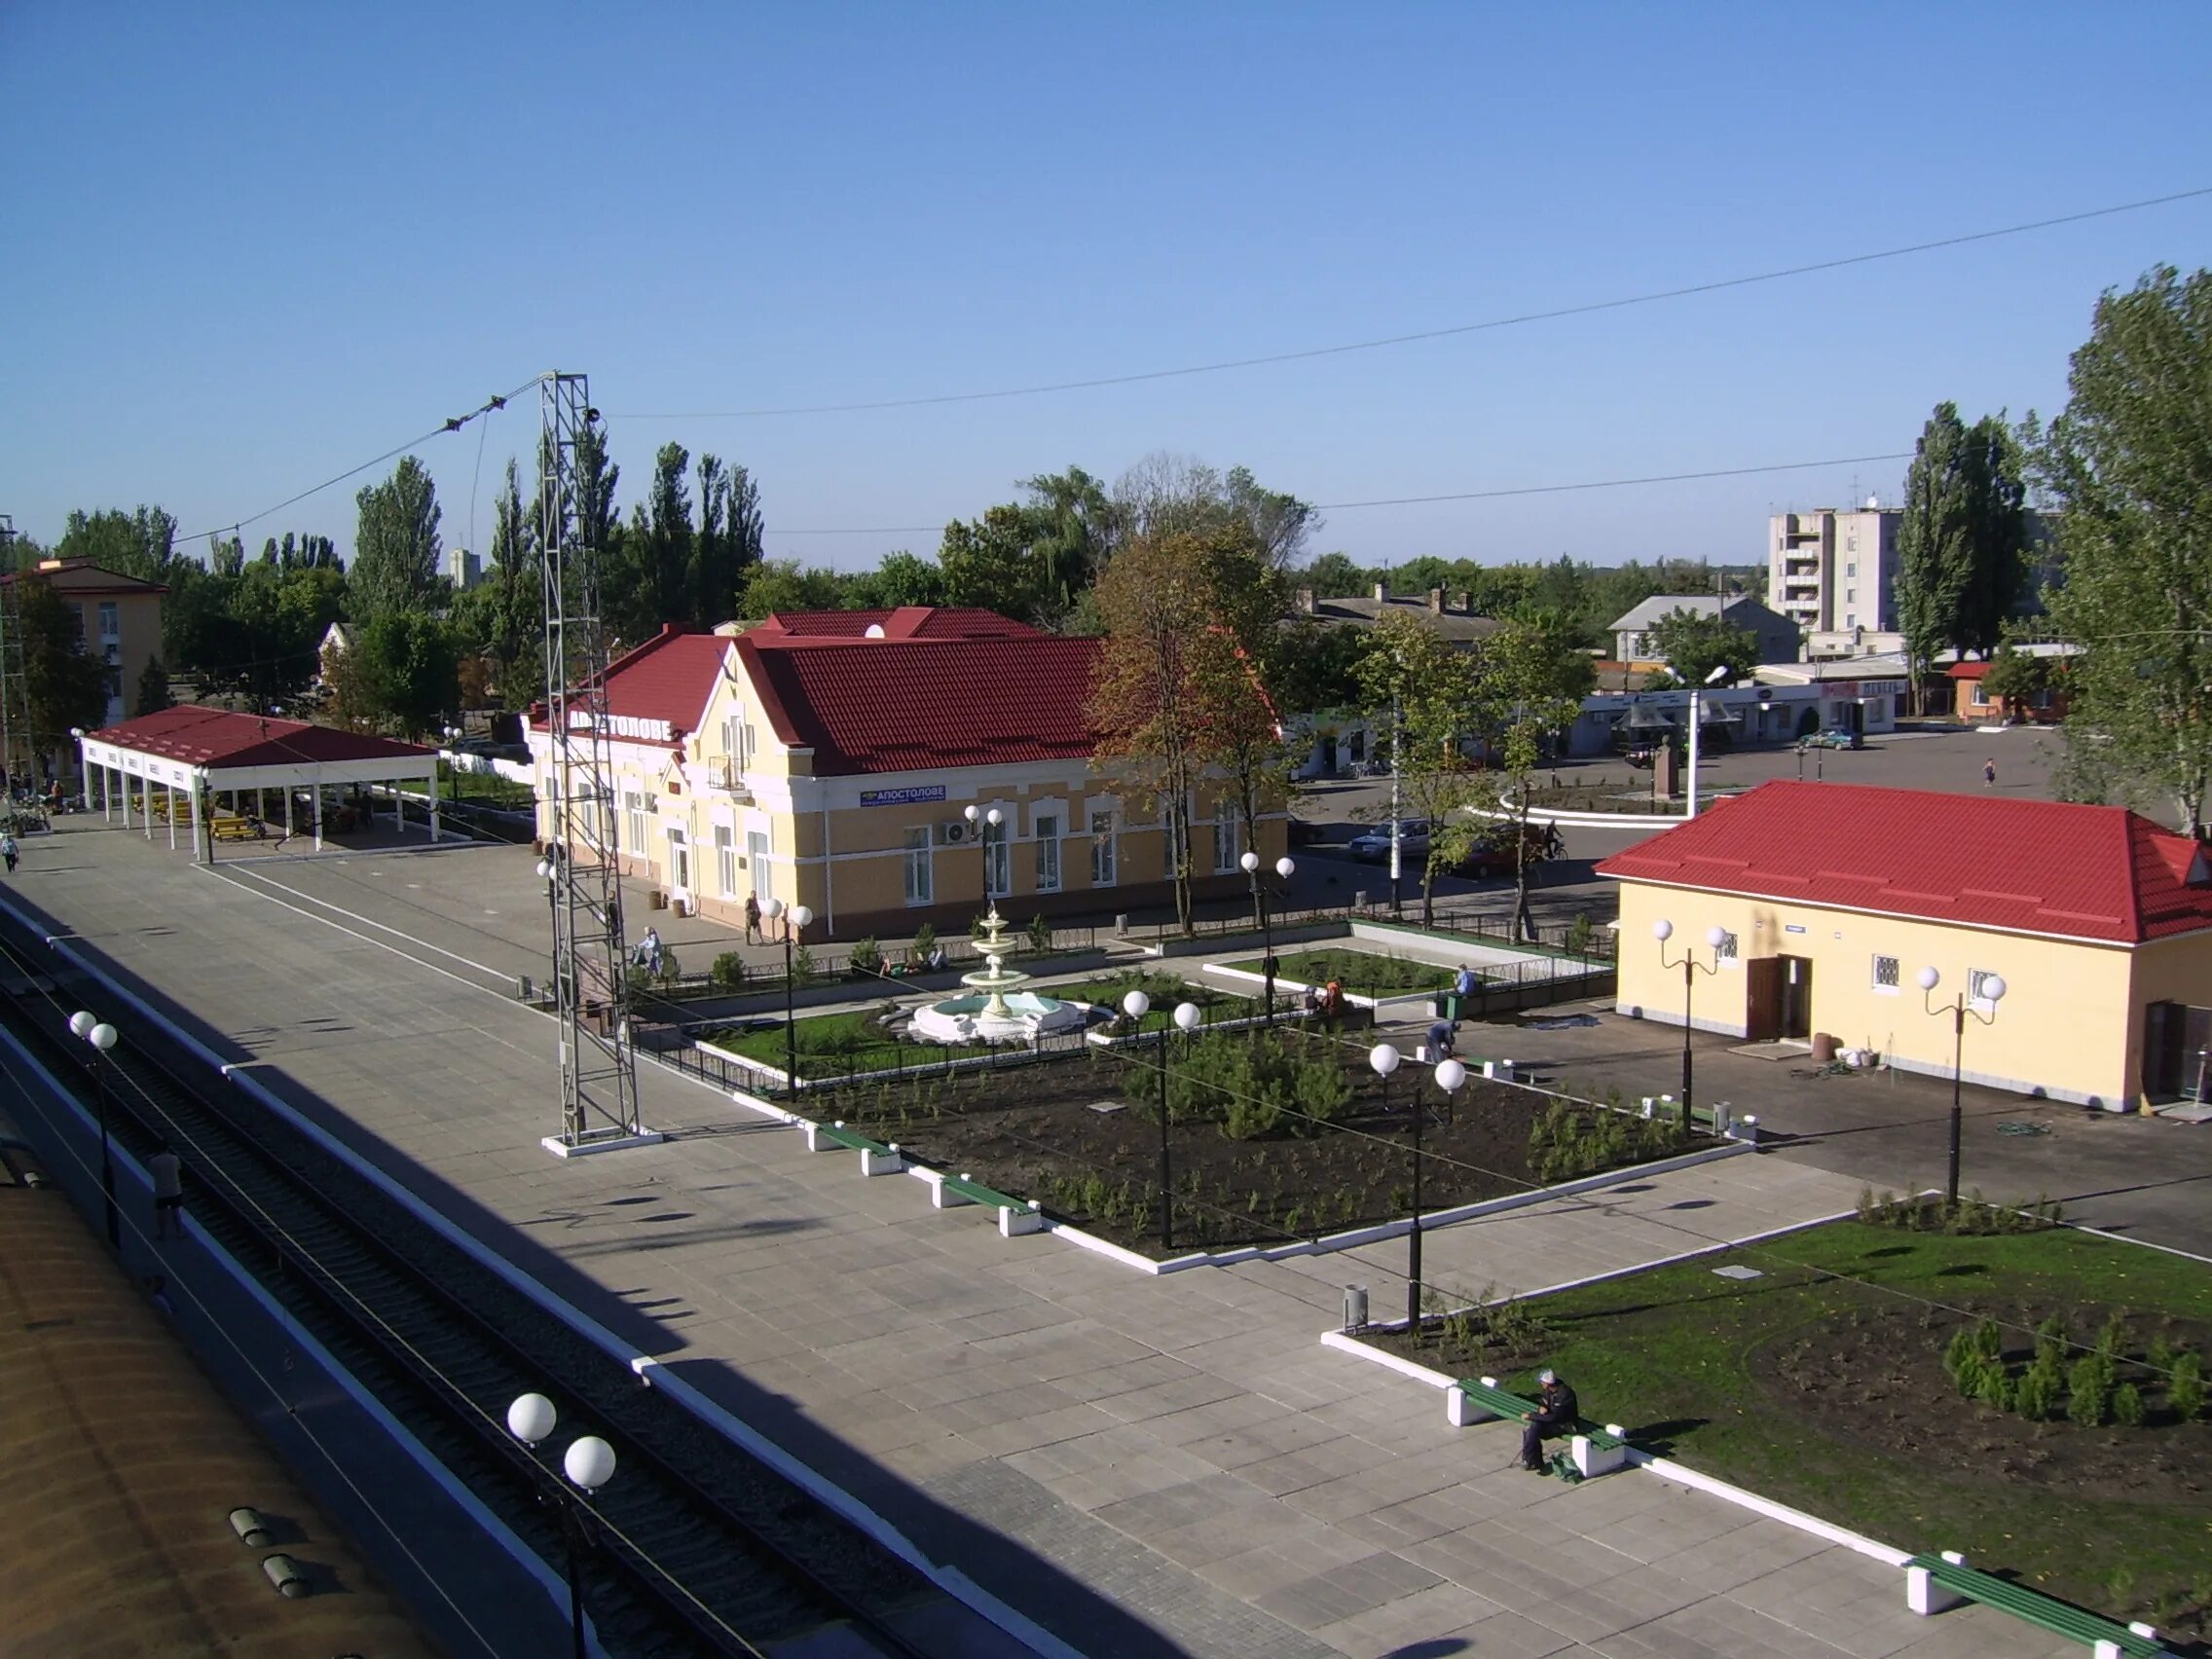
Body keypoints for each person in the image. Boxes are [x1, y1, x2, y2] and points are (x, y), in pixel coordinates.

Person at [1519, 1369, 1579, 1472]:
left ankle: (1531, 1461)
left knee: (1533, 1430)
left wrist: (1531, 1416)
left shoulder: (1564, 1394)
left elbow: (1553, 1417)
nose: (1541, 1384)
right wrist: (1541, 1408)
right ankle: (1531, 1461)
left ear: (1548, 1383)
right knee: (1530, 1429)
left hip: (1565, 1424)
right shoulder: (1548, 1391)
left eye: (1542, 1382)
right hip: (1552, 1421)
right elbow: (1544, 1403)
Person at [150, 1143, 184, 1239]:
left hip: (161, 1190)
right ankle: (179, 1232)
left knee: (161, 1213)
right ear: (168, 1148)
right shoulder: (174, 1159)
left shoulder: (154, 1161)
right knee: (175, 1211)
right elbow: (179, 1169)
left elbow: (153, 1172)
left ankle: (162, 1234)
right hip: (174, 1189)